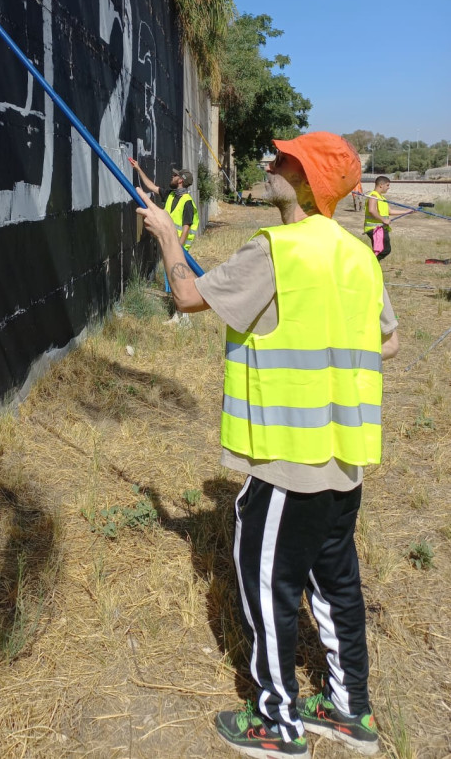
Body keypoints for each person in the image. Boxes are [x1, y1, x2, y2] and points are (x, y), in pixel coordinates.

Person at [136, 132, 398, 758]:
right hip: (345, 462)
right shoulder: (357, 255)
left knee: (266, 586)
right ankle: (349, 712)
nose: (270, 164)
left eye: (283, 160)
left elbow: (189, 297)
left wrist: (168, 239)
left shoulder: (276, 249)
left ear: (308, 182)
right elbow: (387, 341)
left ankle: (277, 725)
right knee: (337, 588)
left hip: (288, 463)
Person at [129, 159, 198, 322]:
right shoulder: (170, 194)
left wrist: (177, 249)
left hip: (179, 248)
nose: (172, 177)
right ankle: (178, 314)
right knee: (171, 280)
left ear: (180, 180)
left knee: (178, 280)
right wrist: (138, 169)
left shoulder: (187, 202)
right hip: (171, 246)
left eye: (175, 176)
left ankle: (184, 317)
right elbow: (151, 186)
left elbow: (186, 228)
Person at [363, 176, 412, 261]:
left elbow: (390, 211)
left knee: (381, 250)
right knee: (384, 250)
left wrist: (407, 211)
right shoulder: (374, 196)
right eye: (387, 185)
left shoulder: (382, 198)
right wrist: (383, 220)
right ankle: (368, 264)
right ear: (381, 185)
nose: (388, 188)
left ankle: (371, 267)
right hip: (375, 228)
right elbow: (371, 210)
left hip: (381, 228)